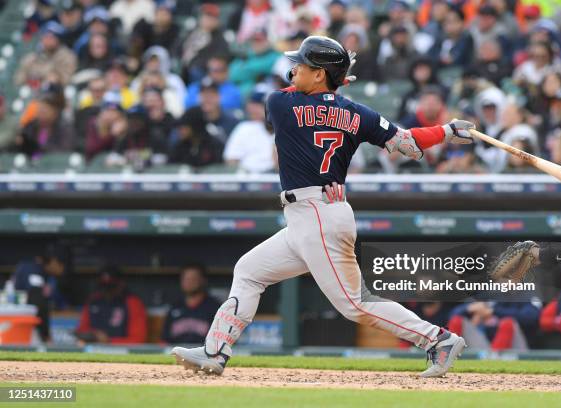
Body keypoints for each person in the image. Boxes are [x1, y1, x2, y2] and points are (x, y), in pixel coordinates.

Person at [172, 36, 473, 378]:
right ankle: (215, 351)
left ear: (319, 74)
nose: (294, 67)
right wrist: (447, 130)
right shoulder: (357, 112)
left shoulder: (280, 104)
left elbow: (294, 90)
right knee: (249, 271)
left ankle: (438, 340)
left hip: (317, 215)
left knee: (354, 303)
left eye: (303, 63)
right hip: (313, 216)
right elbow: (406, 142)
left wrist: (336, 77)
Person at [12, 244, 74, 342]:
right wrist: (46, 334)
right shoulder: (32, 269)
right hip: (20, 324)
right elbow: (37, 301)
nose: (63, 269)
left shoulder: (47, 276)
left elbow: (57, 300)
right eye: (62, 265)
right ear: (54, 261)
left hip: (28, 323)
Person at [75, 265, 147, 344]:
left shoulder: (132, 303)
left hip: (122, 353)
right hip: (93, 351)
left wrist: (108, 341)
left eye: (111, 287)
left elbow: (138, 340)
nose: (107, 291)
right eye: (104, 287)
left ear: (121, 284)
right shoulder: (93, 300)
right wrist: (93, 335)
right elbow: (81, 331)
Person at [161, 265, 221, 344]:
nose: (189, 282)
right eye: (186, 278)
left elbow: (221, 341)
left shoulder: (214, 307)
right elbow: (164, 340)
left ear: (203, 280)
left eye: (193, 278)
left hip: (204, 354)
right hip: (177, 353)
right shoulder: (174, 307)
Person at [223, 89, 275, 173]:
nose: (256, 109)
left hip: (274, 176)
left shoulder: (281, 127)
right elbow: (231, 159)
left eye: (261, 106)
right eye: (255, 105)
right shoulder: (244, 128)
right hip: (247, 176)